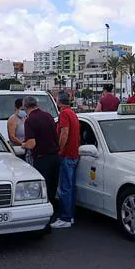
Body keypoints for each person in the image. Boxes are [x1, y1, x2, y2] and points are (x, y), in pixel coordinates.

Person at [21, 96, 60, 208]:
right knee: (53, 188)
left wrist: (23, 145)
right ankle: (53, 212)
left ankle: (45, 216)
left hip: (42, 159)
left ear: (24, 107)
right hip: (55, 157)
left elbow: (31, 144)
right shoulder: (48, 116)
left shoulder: (30, 120)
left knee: (43, 190)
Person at [51, 92, 80, 228]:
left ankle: (65, 217)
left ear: (59, 102)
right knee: (70, 187)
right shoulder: (73, 113)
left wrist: (59, 150)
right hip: (73, 154)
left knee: (65, 187)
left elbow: (64, 133)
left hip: (67, 154)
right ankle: (70, 216)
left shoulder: (64, 114)